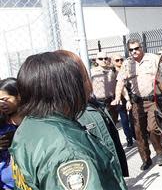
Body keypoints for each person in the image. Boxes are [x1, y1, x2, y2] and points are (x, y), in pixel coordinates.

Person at [10, 52, 127, 189]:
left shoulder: (30, 125)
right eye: (82, 79)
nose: (88, 85)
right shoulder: (69, 152)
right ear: (66, 89)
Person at [54, 50, 129, 178]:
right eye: (83, 76)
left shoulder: (93, 107)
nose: (88, 80)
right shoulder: (74, 115)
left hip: (110, 104)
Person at [115, 39, 162, 170]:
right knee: (139, 133)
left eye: (136, 48)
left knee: (152, 128)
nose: (134, 52)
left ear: (141, 47)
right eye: (131, 50)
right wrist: (117, 97)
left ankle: (160, 153)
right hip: (136, 103)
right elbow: (120, 82)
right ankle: (146, 159)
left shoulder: (153, 59)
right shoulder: (127, 64)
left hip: (152, 100)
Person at [0, 78, 21, 190]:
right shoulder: (2, 124)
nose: (2, 104)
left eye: (5, 99)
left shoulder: (32, 121)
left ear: (18, 96)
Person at [111, 53, 135, 147]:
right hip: (121, 99)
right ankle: (129, 138)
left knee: (133, 119)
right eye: (117, 60)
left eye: (121, 59)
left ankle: (134, 135)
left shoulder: (127, 68)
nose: (120, 61)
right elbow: (121, 87)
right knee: (124, 120)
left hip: (131, 96)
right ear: (113, 62)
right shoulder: (112, 73)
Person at [90, 51, 118, 123]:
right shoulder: (92, 72)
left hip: (111, 101)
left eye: (105, 58)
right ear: (96, 60)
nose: (103, 60)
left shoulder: (112, 71)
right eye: (100, 59)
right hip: (98, 102)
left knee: (113, 123)